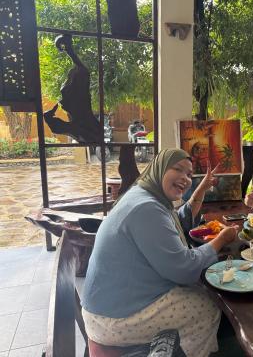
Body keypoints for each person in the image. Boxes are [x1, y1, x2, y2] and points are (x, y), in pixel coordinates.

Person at [82, 148, 238, 357]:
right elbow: (185, 269)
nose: (185, 178)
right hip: (112, 320)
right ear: (160, 168)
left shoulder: (144, 194)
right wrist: (221, 239)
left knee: (205, 289)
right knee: (207, 305)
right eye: (178, 169)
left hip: (107, 302)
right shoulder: (147, 208)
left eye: (189, 174)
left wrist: (200, 189)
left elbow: (174, 222)